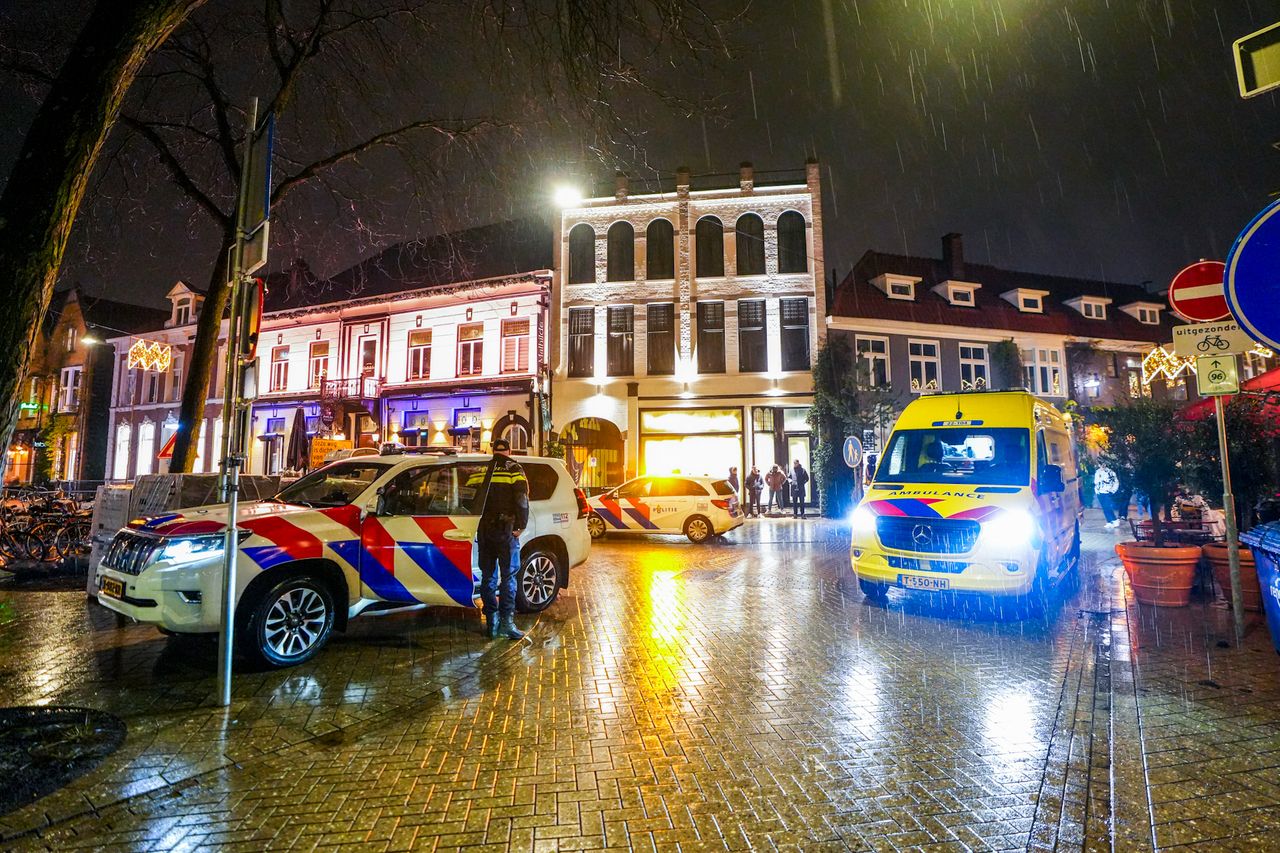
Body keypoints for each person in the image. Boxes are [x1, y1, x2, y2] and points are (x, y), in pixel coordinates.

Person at [477, 437, 529, 640]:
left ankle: (491, 622)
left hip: (484, 530)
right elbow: (521, 498)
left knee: (488, 576)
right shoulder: (514, 468)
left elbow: (471, 497)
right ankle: (507, 622)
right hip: (506, 529)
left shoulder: (482, 470)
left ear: (493, 451)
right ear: (509, 450)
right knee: (508, 577)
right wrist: (521, 525)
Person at [1094, 463, 1120, 529]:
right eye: (1100, 465)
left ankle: (1114, 520)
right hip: (1100, 492)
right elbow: (1096, 482)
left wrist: (1112, 490)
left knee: (1107, 507)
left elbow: (1116, 482)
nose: (1101, 466)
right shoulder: (1097, 472)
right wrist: (1097, 490)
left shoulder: (1110, 472)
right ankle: (1109, 521)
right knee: (1105, 508)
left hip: (1107, 492)